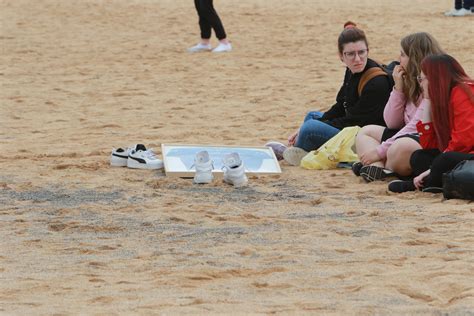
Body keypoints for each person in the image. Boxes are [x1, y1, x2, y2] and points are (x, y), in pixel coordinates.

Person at [267, 22, 393, 166]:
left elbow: (354, 121)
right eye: (351, 54)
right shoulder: (352, 70)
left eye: (361, 52)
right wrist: (315, 123)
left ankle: (295, 153)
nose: (357, 59)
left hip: (366, 137)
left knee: (310, 128)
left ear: (368, 51)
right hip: (352, 125)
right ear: (341, 56)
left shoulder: (376, 82)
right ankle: (302, 151)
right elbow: (341, 105)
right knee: (311, 116)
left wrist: (309, 127)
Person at [354, 33, 444, 182]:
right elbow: (392, 123)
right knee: (365, 131)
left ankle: (384, 168)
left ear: (415, 58)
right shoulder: (410, 81)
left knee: (400, 146)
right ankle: (377, 169)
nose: (398, 58)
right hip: (407, 135)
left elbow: (416, 126)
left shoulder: (431, 83)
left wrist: (379, 151)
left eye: (403, 54)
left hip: (426, 139)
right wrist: (398, 89)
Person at [388, 54, 474, 193]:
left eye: (422, 79)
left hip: (467, 152)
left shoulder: (462, 91)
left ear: (435, 79)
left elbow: (463, 142)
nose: (420, 83)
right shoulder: (443, 97)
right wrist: (427, 101)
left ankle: (421, 183)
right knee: (419, 157)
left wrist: (432, 168)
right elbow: (431, 145)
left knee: (445, 159)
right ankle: (434, 181)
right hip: (460, 154)